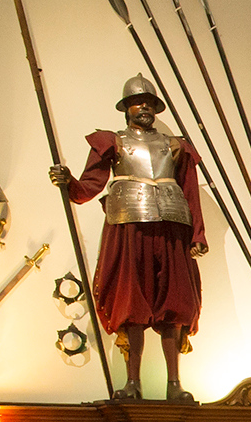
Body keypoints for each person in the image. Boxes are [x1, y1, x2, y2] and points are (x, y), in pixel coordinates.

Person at [51, 74, 206, 402]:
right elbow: (89, 186)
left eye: (149, 103)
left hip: (171, 224)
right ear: (126, 108)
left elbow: (190, 191)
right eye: (139, 102)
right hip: (128, 224)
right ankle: (132, 382)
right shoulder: (114, 142)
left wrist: (198, 234)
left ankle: (174, 384)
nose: (144, 108)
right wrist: (69, 183)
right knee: (131, 301)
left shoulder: (175, 145)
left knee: (174, 304)